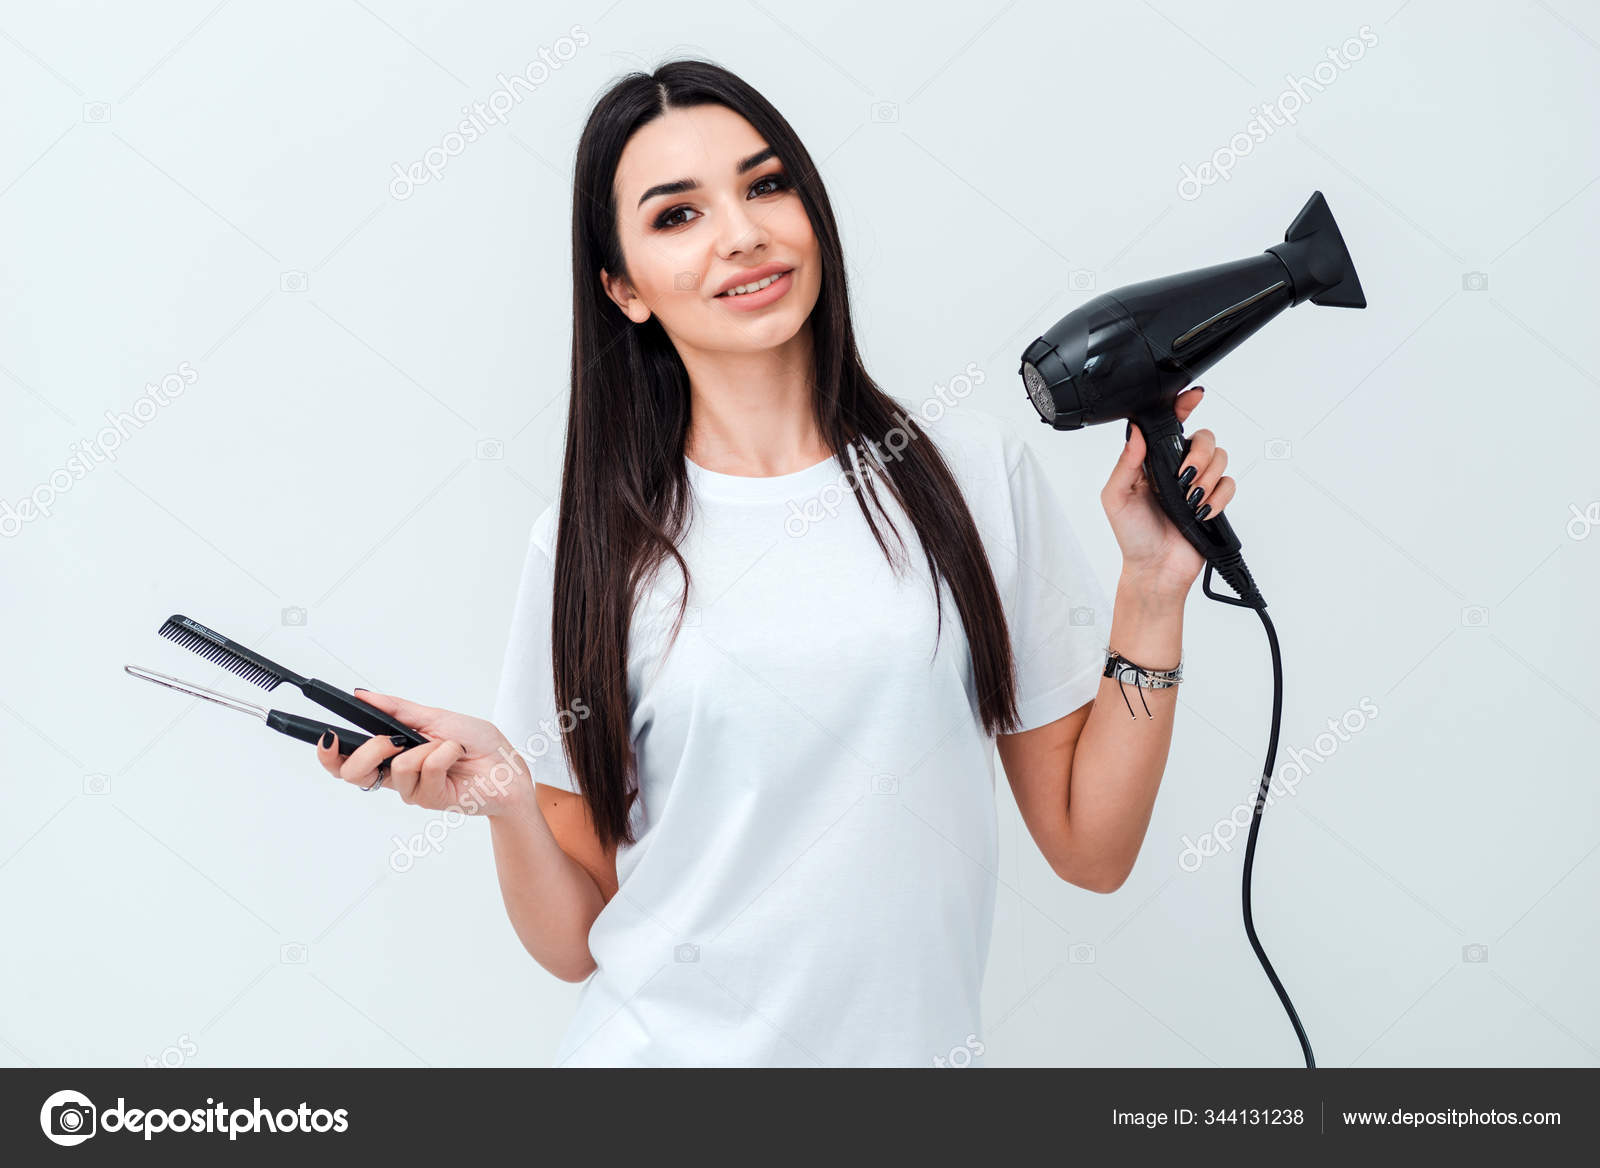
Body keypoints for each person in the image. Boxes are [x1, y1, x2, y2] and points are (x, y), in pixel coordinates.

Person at [315, 59, 1234, 1067]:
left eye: (765, 185)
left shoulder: (968, 479)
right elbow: (577, 942)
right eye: (677, 215)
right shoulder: (590, 543)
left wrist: (1150, 590)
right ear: (621, 287)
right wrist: (506, 799)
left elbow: (1090, 847)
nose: (741, 233)